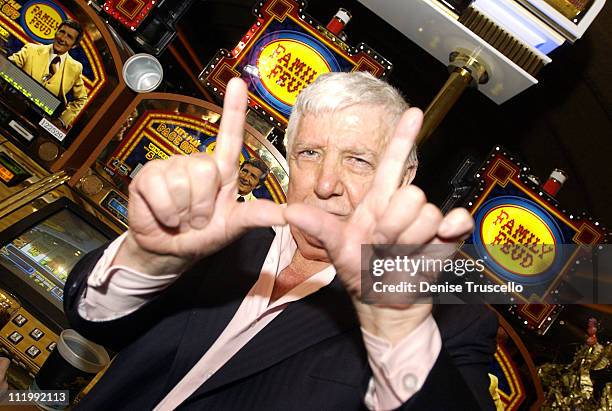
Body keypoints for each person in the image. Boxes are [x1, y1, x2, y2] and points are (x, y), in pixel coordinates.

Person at [63, 72, 497, 410]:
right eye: (310, 154)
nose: (326, 183)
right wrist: (148, 257)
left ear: (402, 178)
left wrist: (397, 335)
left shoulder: (445, 321)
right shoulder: (220, 238)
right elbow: (89, 319)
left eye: (358, 160)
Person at [9, 19, 88, 127]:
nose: (62, 38)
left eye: (69, 37)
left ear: (74, 45)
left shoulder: (75, 68)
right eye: (61, 32)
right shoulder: (31, 49)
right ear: (56, 32)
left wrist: (62, 121)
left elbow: (81, 99)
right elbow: (7, 67)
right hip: (13, 106)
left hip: (39, 123)